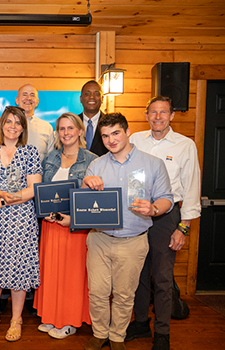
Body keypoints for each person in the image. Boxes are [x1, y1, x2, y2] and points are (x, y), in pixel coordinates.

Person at [82, 113, 174, 350]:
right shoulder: (96, 165)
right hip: (99, 239)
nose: (111, 140)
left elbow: (167, 199)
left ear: (128, 131)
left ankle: (117, 337)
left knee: (124, 295)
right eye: (105, 136)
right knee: (98, 293)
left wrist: (153, 208)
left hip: (133, 241)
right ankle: (100, 333)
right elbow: (83, 202)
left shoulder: (153, 164)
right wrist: (86, 184)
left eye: (115, 133)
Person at [127, 96, 201, 350]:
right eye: (153, 113)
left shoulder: (185, 145)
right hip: (136, 214)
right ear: (146, 115)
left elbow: (191, 188)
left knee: (162, 277)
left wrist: (184, 227)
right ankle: (139, 324)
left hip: (167, 218)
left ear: (172, 116)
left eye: (163, 112)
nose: (158, 117)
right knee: (137, 274)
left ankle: (162, 333)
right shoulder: (135, 140)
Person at [0, 106, 41, 342]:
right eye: (8, 122)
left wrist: (2, 199)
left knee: (18, 269)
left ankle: (16, 319)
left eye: (18, 122)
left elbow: (33, 189)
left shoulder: (30, 152)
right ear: (2, 125)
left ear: (23, 127)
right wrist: (2, 194)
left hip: (20, 218)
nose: (13, 126)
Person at [0, 83, 55, 315]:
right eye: (24, 94)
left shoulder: (47, 128)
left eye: (33, 95)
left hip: (31, 201)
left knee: (25, 253)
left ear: (37, 101)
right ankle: (1, 303)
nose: (28, 98)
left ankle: (27, 303)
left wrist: (11, 198)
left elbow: (50, 163)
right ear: (17, 99)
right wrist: (1, 196)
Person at [34, 112, 98, 339]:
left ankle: (69, 320)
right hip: (52, 225)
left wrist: (72, 217)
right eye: (62, 129)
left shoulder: (92, 160)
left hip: (75, 227)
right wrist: (45, 213)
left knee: (72, 275)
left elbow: (94, 198)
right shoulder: (50, 158)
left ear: (80, 131)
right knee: (51, 272)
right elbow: (42, 191)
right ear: (57, 133)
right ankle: (52, 316)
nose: (66, 133)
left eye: (71, 128)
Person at [79, 80, 108, 156]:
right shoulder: (73, 122)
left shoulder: (110, 123)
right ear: (81, 99)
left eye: (96, 94)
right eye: (87, 94)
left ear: (102, 98)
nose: (92, 97)